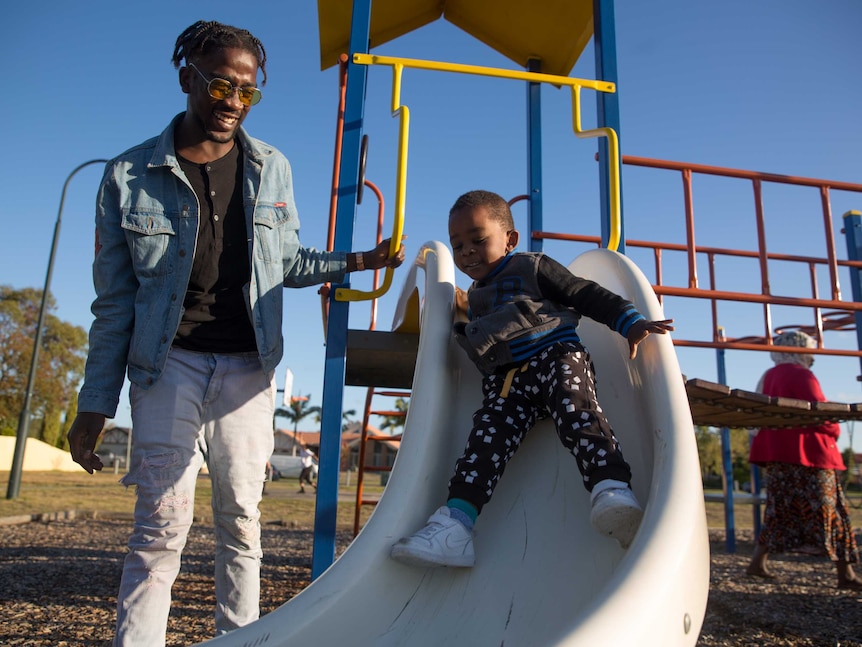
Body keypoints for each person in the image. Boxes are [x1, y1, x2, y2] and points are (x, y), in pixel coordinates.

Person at [65, 20, 405, 645]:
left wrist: (357, 261)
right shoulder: (127, 175)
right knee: (160, 525)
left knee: (242, 522)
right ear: (186, 78)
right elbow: (114, 303)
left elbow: (288, 262)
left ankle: (238, 639)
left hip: (250, 368)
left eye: (248, 91)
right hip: (168, 365)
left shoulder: (270, 166)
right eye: (221, 85)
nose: (233, 102)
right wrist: (95, 403)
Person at [390, 189, 674, 568]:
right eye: (458, 245)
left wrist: (629, 321)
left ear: (510, 239)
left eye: (478, 240)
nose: (467, 252)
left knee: (579, 413)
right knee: (483, 446)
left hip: (556, 358)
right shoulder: (474, 295)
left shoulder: (531, 267)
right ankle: (455, 526)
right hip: (507, 385)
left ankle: (612, 490)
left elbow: (582, 293)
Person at [745, 330, 861, 589]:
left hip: (777, 455)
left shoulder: (769, 376)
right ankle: (847, 574)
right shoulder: (801, 374)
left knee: (778, 510)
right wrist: (835, 429)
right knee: (832, 513)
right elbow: (818, 410)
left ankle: (757, 562)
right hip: (809, 455)